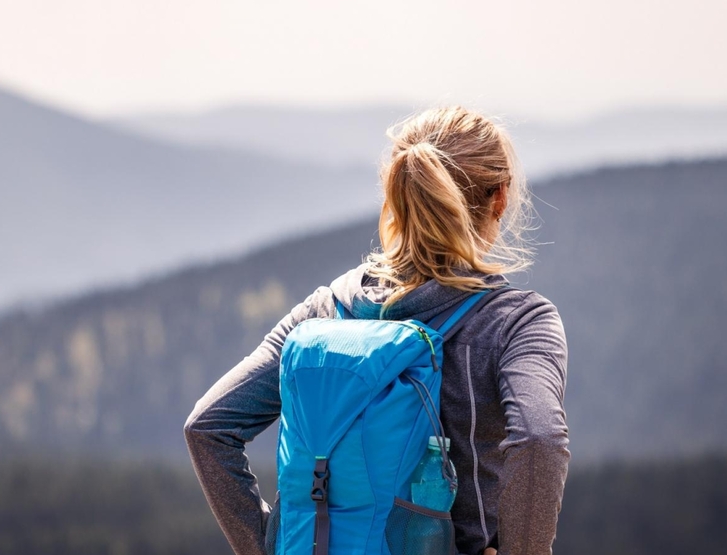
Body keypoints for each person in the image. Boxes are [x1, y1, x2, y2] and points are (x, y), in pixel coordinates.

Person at [184, 106, 569, 555]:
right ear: (500, 197)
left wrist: (271, 545)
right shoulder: (516, 322)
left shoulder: (328, 308)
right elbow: (539, 439)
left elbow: (208, 428)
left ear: (398, 195)